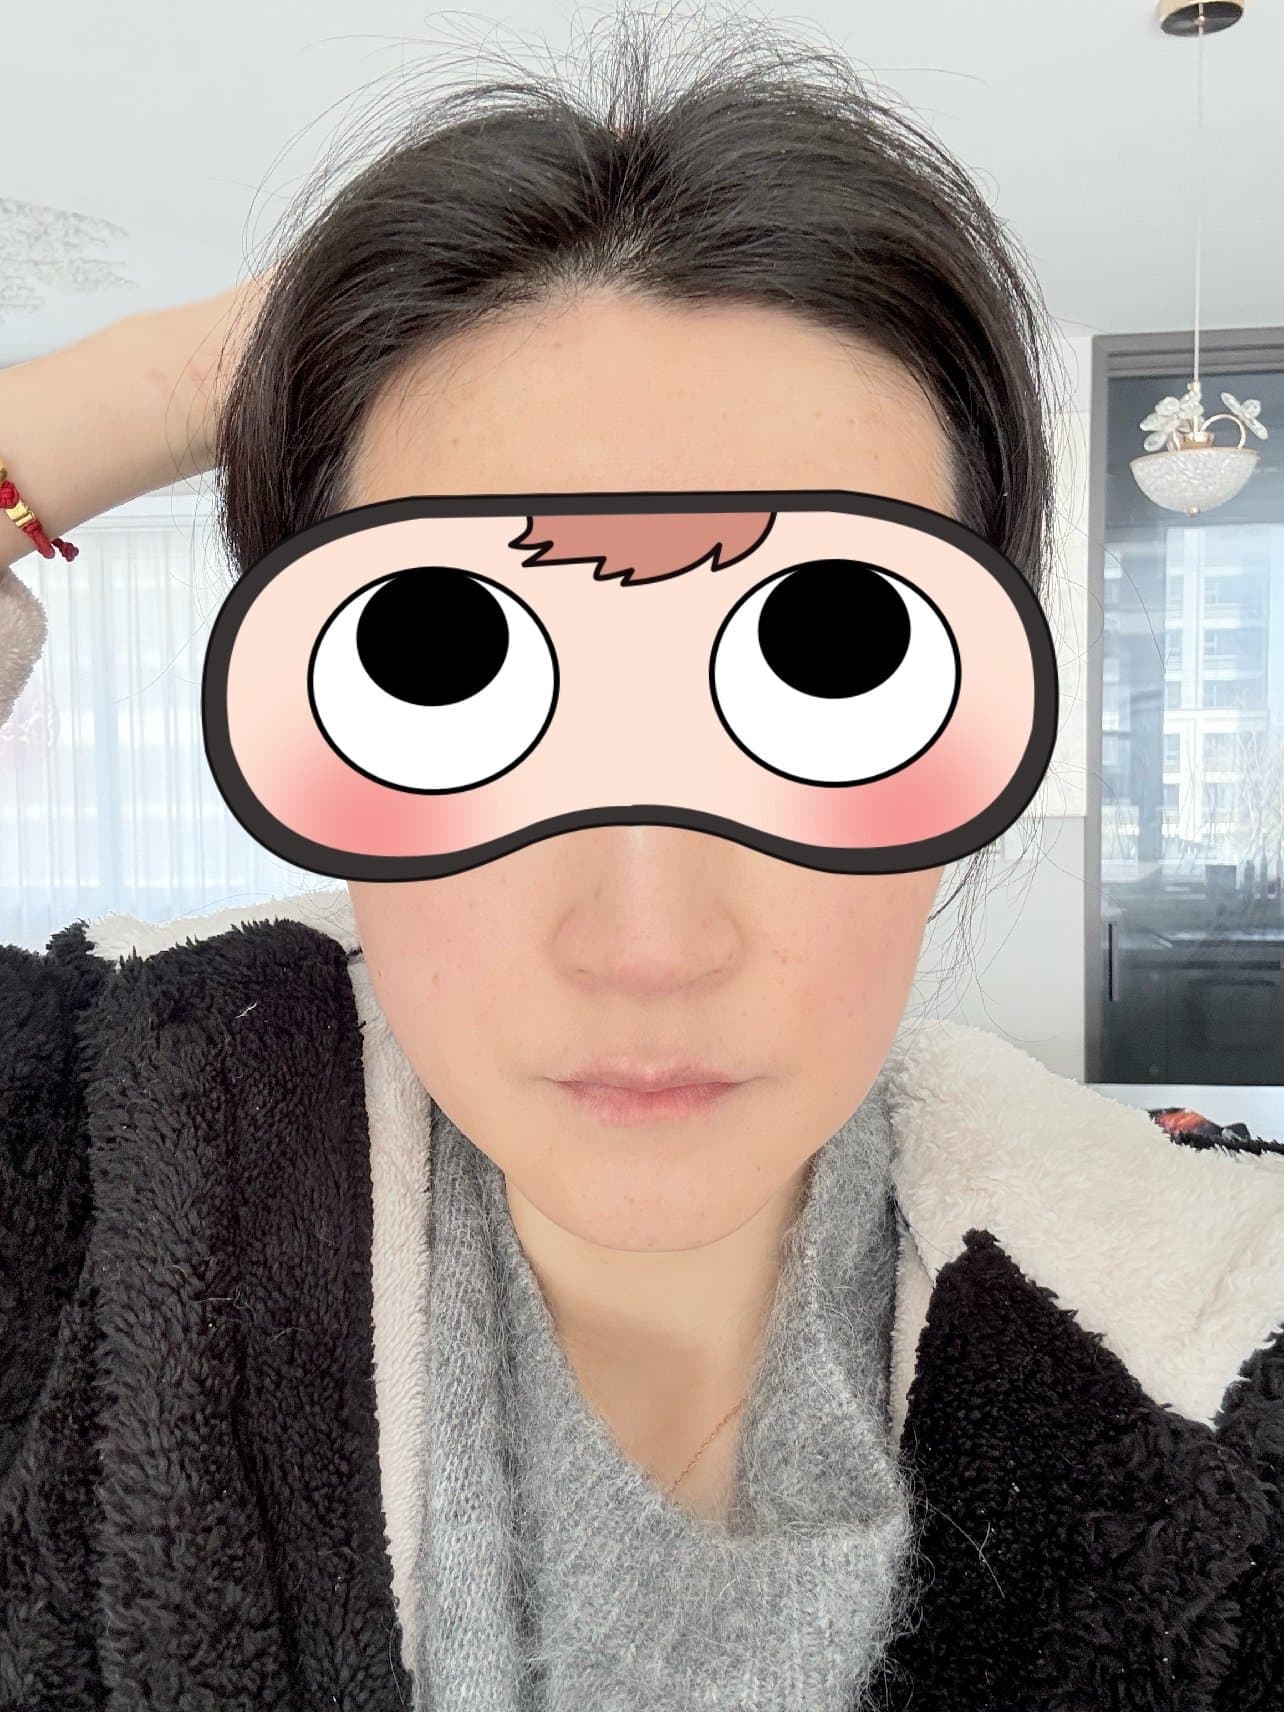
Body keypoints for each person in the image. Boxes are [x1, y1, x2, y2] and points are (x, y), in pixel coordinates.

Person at [1, 12, 1281, 1710]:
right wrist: (199, 370)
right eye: (440, 668)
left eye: (836, 672)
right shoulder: (77, 1169)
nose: (649, 940)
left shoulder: (1223, 1352)